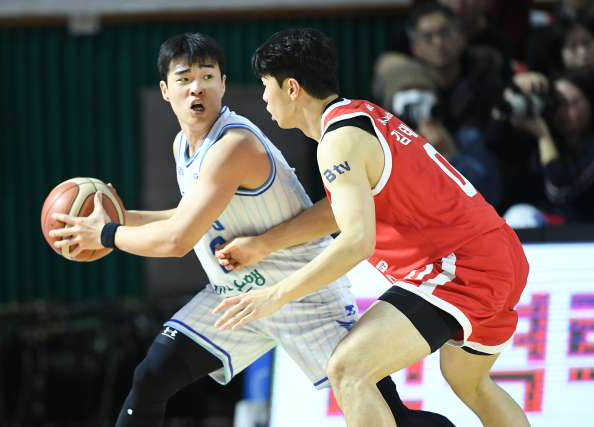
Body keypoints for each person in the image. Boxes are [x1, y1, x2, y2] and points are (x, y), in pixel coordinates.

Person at [48, 33, 455, 427]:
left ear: (224, 85)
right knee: (151, 377)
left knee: (391, 418)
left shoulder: (234, 144)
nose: (197, 90)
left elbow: (178, 240)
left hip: (302, 294)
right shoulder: (182, 145)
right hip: (238, 298)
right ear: (165, 90)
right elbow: (189, 214)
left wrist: (105, 235)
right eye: (184, 79)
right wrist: (121, 218)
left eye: (207, 77)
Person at [213, 28, 531, 427]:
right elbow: (341, 210)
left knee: (348, 369)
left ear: (292, 88)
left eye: (265, 86)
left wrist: (276, 295)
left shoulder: (337, 143)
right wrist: (264, 244)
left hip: (459, 264)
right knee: (471, 383)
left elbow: (357, 242)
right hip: (499, 252)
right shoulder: (361, 115)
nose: (263, 98)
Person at [375, 2, 505, 208]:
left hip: (481, 204)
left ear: (462, 37)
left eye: (445, 33)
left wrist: (450, 154)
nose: (438, 43)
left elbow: (492, 186)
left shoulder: (486, 85)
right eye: (428, 37)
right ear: (415, 48)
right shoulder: (405, 93)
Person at [507, 70, 594, 222]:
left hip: (593, 236)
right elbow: (493, 141)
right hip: (551, 230)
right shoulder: (552, 138)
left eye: (570, 103)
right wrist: (513, 90)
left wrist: (544, 137)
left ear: (591, 101)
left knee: (519, 216)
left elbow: (561, 192)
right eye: (556, 104)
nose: (562, 112)